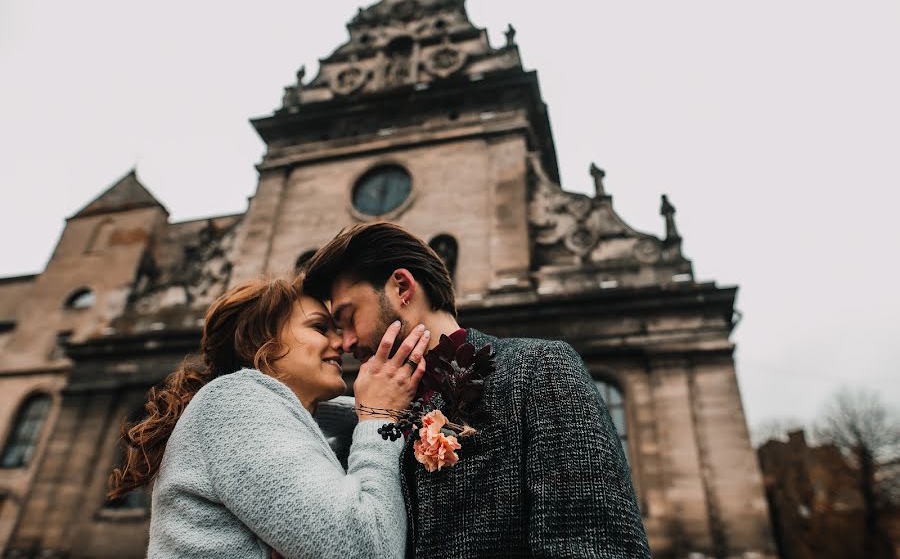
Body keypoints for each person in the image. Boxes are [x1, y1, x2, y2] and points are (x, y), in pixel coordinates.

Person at [303, 223, 651, 559]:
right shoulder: (365, 420)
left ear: (401, 288)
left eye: (349, 317)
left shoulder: (538, 367)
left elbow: (594, 546)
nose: (345, 343)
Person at [107, 276, 429, 559]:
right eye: (319, 327)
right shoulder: (234, 403)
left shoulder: (286, 418)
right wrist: (379, 417)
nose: (341, 344)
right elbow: (366, 550)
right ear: (261, 342)